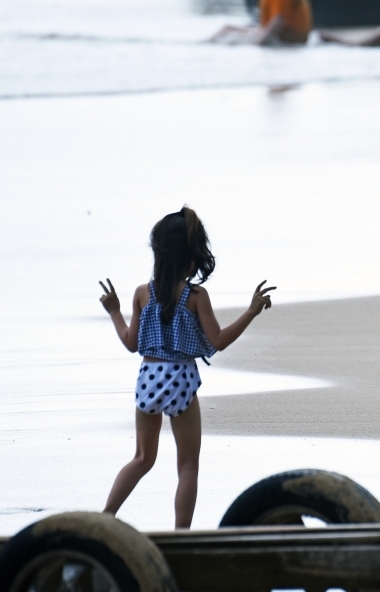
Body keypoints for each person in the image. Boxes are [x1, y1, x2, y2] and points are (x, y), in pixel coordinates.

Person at [98, 207, 275, 529]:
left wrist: (114, 311)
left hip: (148, 377)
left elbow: (131, 343)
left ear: (159, 254)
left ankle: (105, 519)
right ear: (192, 257)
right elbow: (218, 341)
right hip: (179, 377)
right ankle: (181, 534)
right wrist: (251, 311)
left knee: (142, 458)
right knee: (188, 465)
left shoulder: (142, 293)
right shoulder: (196, 296)